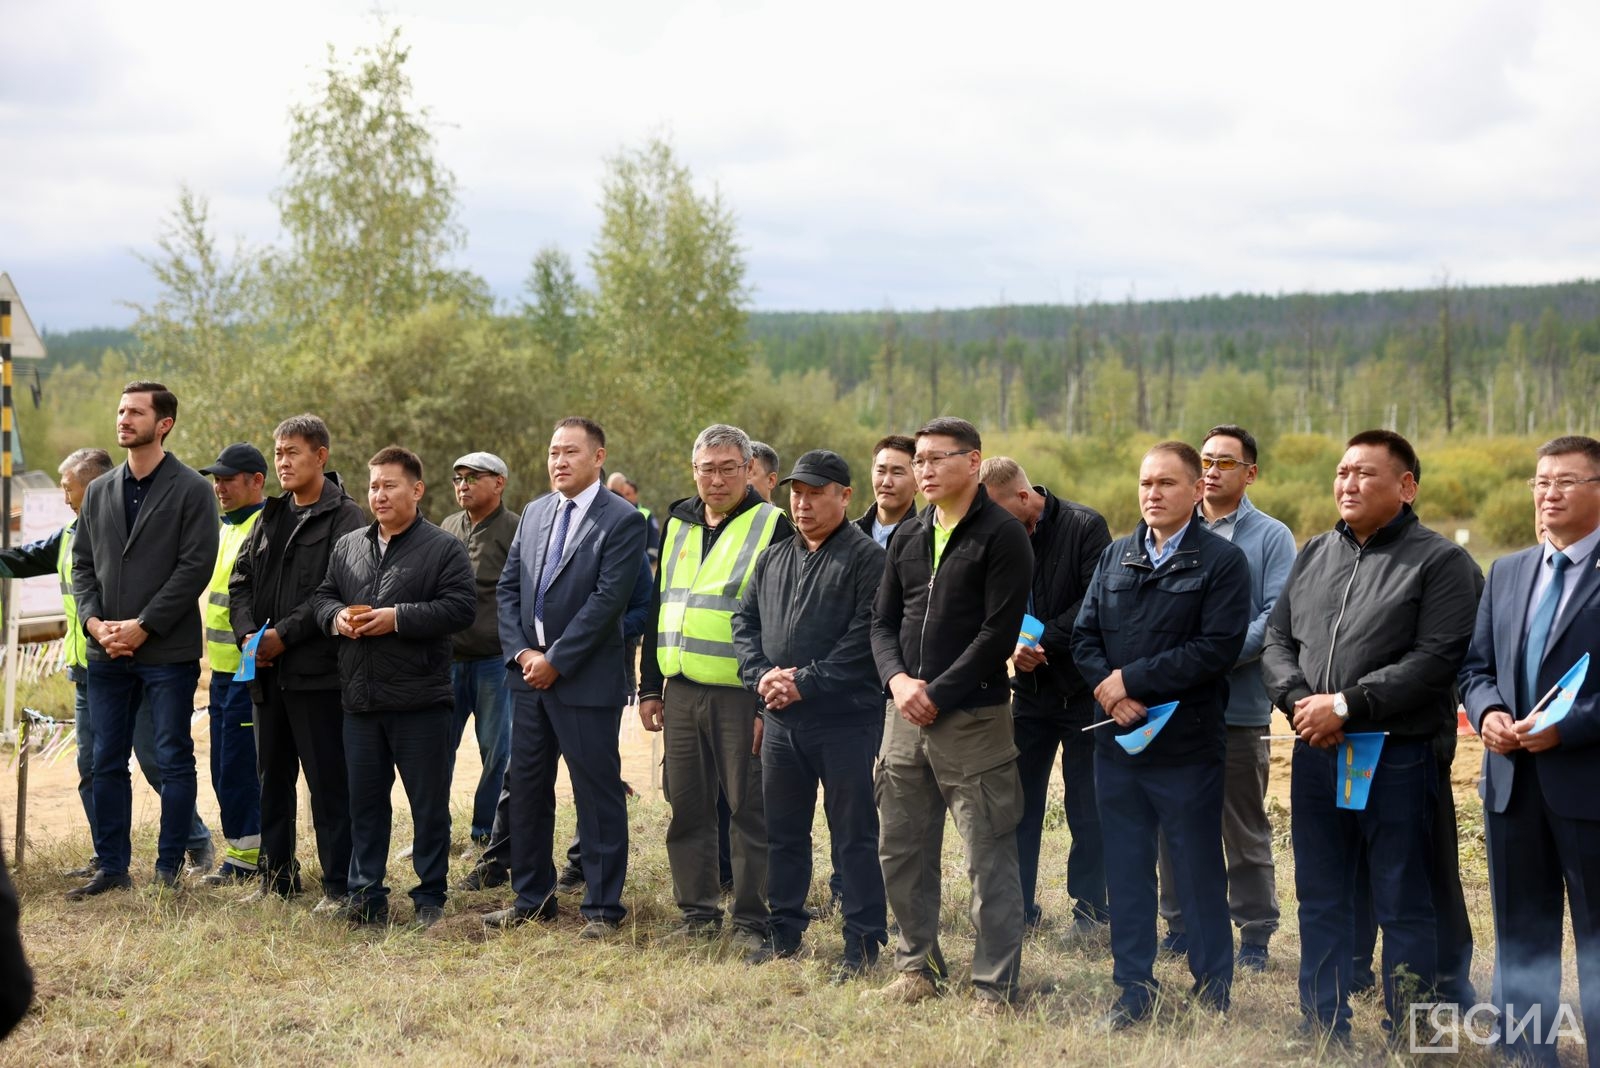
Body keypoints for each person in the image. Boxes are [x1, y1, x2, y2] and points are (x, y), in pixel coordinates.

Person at [1262, 429, 1482, 1042]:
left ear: (1406, 487)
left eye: (1364, 473)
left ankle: (1410, 1032)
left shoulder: (1441, 563)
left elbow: (1436, 659)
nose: (1348, 483)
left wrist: (1347, 705)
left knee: (1403, 899)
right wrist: (1300, 704)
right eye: (1341, 472)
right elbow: (1277, 641)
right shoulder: (1313, 554)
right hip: (1317, 750)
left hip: (1396, 755)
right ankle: (1321, 1022)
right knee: (1321, 895)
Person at [1071, 441, 1251, 1029]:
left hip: (1185, 746)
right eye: (1146, 484)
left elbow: (1216, 649)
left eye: (1167, 484)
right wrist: (1109, 689)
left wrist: (1133, 682)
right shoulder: (1116, 556)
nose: (1153, 494)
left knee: (1197, 867)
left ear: (1197, 490)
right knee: (1124, 869)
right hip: (1117, 746)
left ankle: (1212, 987)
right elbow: (1084, 635)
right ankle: (1132, 988)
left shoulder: (1221, 563)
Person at [870, 416, 1032, 1013]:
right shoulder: (909, 537)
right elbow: (881, 623)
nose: (926, 469)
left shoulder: (1002, 535)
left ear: (973, 461)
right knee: (902, 847)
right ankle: (917, 966)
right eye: (920, 460)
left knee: (988, 856)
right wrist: (898, 680)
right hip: (903, 717)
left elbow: (998, 634)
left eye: (939, 458)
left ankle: (994, 984)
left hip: (972, 722)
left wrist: (936, 691)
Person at [0, 448, 209, 879]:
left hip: (139, 657)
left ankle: (195, 842)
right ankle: (107, 858)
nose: (64, 497)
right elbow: (25, 561)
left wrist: (134, 629)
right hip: (89, 668)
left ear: (92, 484)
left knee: (155, 759)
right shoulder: (68, 536)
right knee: (93, 766)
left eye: (68, 488)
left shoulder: (129, 520)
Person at [1461, 435, 1600, 1067]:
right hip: (1512, 781)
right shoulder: (1509, 569)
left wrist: (1568, 730)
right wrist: (1488, 710)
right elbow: (1476, 665)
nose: (1549, 493)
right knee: (1520, 930)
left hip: (1587, 783)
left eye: (1566, 481)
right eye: (1541, 482)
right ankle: (1524, 1053)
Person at [483, 418, 645, 938]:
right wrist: (524, 653)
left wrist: (557, 659)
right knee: (528, 790)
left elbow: (607, 603)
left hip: (584, 681)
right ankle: (532, 897)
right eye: (553, 451)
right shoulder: (533, 513)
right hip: (528, 681)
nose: (558, 461)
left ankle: (602, 908)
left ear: (598, 457)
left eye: (570, 452)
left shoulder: (622, 520)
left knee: (595, 794)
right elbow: (508, 591)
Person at [731, 449, 888, 979]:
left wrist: (804, 683)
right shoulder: (775, 556)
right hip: (781, 721)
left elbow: (866, 637)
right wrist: (762, 677)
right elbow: (744, 621)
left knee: (853, 833)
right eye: (796, 492)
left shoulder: (867, 559)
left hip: (845, 719)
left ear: (844, 496)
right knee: (783, 830)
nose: (802, 503)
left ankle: (863, 942)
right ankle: (785, 931)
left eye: (816, 493)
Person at [638, 424, 791, 951]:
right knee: (689, 807)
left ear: (750, 469)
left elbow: (783, 619)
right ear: (694, 470)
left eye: (729, 468)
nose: (717, 478)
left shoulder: (774, 526)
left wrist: (766, 708)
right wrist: (650, 686)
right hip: (680, 690)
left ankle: (752, 921)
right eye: (707, 468)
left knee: (750, 810)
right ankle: (697, 915)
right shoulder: (677, 520)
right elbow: (663, 605)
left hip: (740, 694)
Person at [312, 446, 475, 927]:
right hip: (360, 701)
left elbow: (461, 608)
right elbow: (323, 596)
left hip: (420, 701)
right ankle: (367, 894)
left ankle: (430, 897)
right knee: (364, 803)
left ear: (417, 490)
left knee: (428, 806)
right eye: (373, 486)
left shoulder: (443, 547)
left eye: (390, 485)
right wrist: (337, 617)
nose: (378, 495)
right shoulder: (350, 545)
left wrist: (398, 619)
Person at [68, 381, 219, 898]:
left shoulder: (193, 490)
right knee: (105, 760)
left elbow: (194, 566)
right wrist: (95, 624)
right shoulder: (100, 490)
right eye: (120, 410)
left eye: (135, 412)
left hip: (167, 651)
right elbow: (82, 564)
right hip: (105, 648)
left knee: (173, 757)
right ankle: (112, 868)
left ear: (165, 424)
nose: (124, 419)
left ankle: (168, 868)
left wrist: (144, 624)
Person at [1154, 426, 1294, 971]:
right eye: (1206, 461)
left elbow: (1274, 616)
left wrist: (1208, 655)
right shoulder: (1170, 527)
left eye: (1225, 463)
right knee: (1175, 821)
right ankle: (1180, 924)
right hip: (1172, 705)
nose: (1212, 471)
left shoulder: (1270, 537)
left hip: (1237, 706)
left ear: (1250, 473)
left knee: (1241, 823)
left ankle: (1255, 931)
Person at [230, 414, 365, 908]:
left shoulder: (346, 518)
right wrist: (249, 635)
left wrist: (283, 636)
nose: (283, 462)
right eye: (279, 452)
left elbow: (334, 591)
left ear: (321, 457)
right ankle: (277, 878)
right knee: (272, 780)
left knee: (328, 784)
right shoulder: (270, 515)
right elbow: (240, 580)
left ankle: (338, 886)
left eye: (293, 452)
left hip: (318, 674)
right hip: (266, 673)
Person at [978, 456, 1112, 934]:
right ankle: (1019, 908)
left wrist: (1039, 641)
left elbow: (1096, 602)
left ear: (1022, 496)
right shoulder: (994, 532)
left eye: (997, 510)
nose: (991, 522)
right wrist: (1014, 643)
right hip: (1029, 693)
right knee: (1019, 805)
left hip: (1083, 689)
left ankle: (1091, 912)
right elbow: (988, 600)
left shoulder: (1083, 525)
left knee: (1087, 807)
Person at [196, 443, 268, 884]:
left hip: (250, 671)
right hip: (222, 671)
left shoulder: (263, 527)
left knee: (241, 767)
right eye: (216, 480)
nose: (219, 487)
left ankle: (248, 857)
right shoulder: (225, 527)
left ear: (256, 481)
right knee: (223, 765)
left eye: (228, 479)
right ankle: (243, 849)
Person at [440, 451, 518, 847]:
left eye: (473, 477)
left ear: (499, 482)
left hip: (494, 661)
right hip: (447, 660)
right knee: (437, 750)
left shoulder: (516, 529)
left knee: (496, 752)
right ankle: (435, 831)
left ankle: (484, 832)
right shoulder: (448, 526)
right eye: (457, 478)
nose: (463, 485)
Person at [855, 435, 918, 548]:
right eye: (881, 471)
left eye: (897, 473)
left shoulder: (924, 541)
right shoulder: (846, 536)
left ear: (918, 482)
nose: (886, 482)